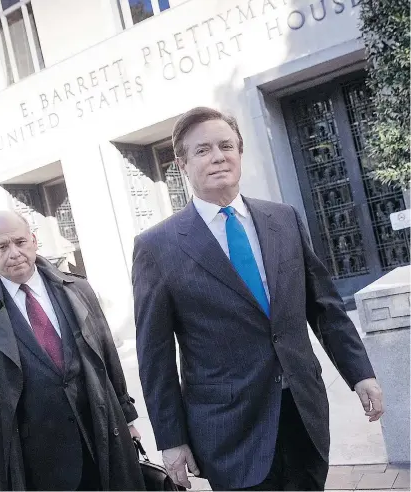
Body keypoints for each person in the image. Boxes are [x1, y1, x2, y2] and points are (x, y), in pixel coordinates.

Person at [132, 107, 384, 491]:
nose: (218, 156)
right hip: (229, 430)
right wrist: (171, 439)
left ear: (239, 153)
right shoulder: (157, 247)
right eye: (202, 151)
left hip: (302, 412)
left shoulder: (282, 219)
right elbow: (155, 356)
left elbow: (324, 306)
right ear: (182, 163)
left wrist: (360, 372)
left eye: (226, 145)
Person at [0, 211, 145, 492]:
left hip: (101, 445)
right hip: (29, 466)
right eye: (2, 246)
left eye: (20, 242)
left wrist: (127, 419)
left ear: (34, 240)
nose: (15, 253)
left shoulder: (77, 289)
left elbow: (107, 359)